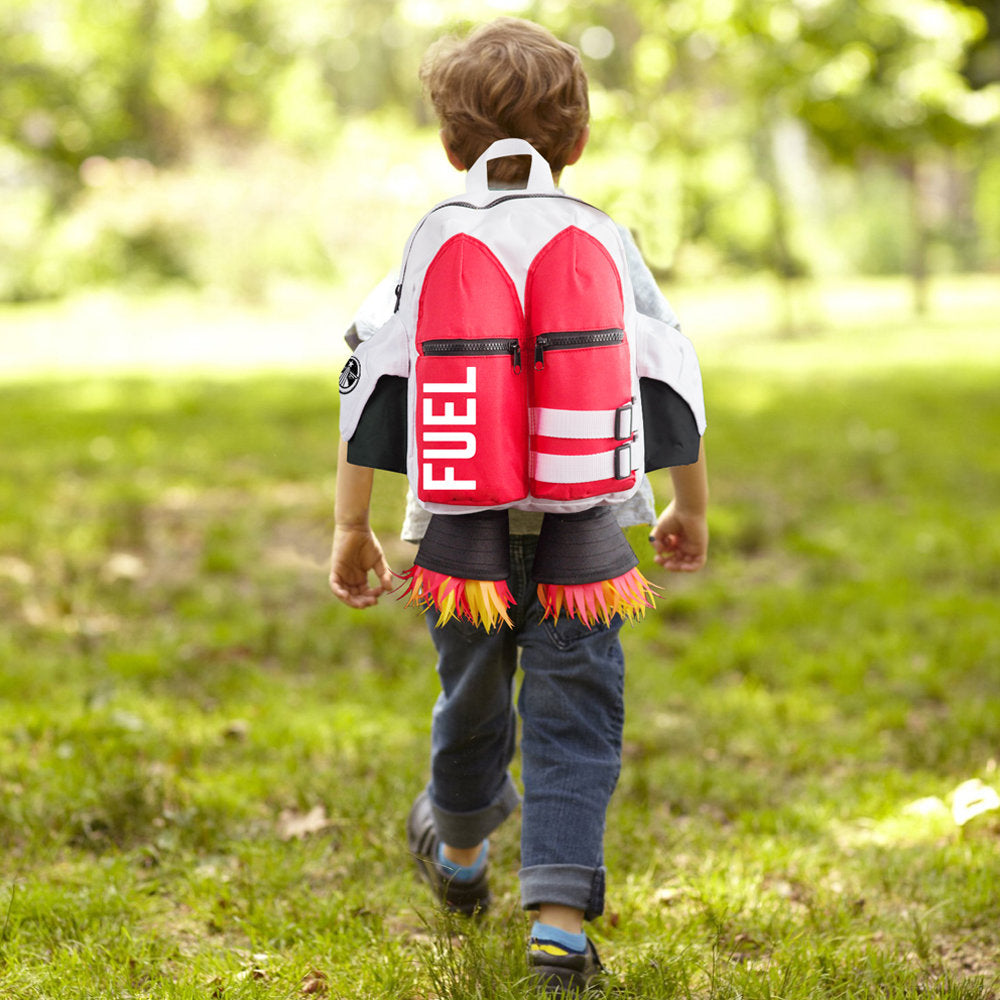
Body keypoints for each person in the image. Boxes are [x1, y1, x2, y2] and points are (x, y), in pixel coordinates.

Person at [329, 17, 708, 994]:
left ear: (449, 146)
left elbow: (369, 381)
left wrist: (351, 525)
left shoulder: (433, 241)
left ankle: (459, 854)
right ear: (577, 142)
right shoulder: (603, 237)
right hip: (588, 542)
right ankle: (558, 930)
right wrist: (687, 505)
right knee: (575, 718)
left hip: (460, 545)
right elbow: (671, 372)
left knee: (471, 702)